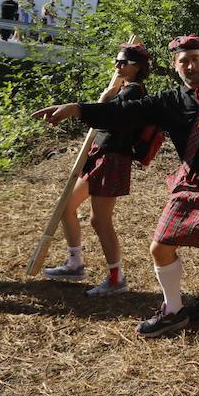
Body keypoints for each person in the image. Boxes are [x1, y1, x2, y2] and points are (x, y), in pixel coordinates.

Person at [31, 35, 199, 339]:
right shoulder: (168, 101)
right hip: (191, 186)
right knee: (161, 247)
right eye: (183, 60)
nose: (190, 65)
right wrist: (76, 108)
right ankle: (173, 311)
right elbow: (122, 113)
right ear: (174, 65)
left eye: (195, 58)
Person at [41, 42, 153, 296]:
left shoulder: (134, 92)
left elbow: (110, 115)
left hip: (113, 158)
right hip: (99, 156)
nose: (118, 65)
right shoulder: (122, 89)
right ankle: (74, 263)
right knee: (66, 207)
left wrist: (104, 100)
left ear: (137, 67)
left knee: (100, 220)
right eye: (117, 61)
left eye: (123, 62)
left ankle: (116, 278)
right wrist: (107, 96)